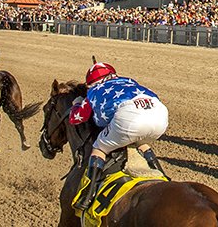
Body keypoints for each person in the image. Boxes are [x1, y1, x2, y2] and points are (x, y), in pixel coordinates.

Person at [71, 62, 169, 212]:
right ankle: (163, 177)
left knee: (99, 147)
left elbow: (76, 118)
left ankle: (88, 194)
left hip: (130, 118)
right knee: (139, 141)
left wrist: (77, 103)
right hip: (160, 115)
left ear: (92, 83)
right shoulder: (129, 81)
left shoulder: (94, 90)